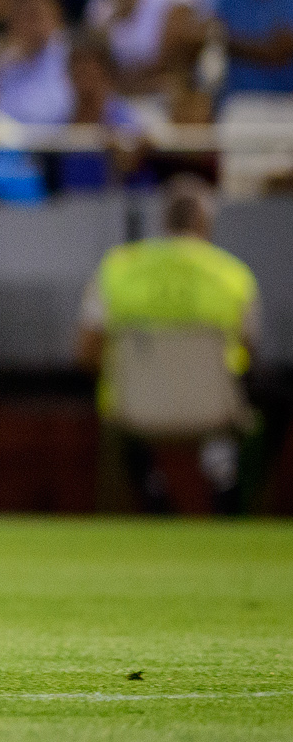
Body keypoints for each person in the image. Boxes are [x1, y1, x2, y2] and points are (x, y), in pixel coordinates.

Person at [76, 177, 258, 514]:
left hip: (133, 410)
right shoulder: (235, 277)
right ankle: (224, 488)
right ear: (205, 222)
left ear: (163, 221)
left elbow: (87, 352)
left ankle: (152, 493)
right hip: (213, 411)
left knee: (119, 411)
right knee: (257, 406)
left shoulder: (116, 271)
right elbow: (248, 354)